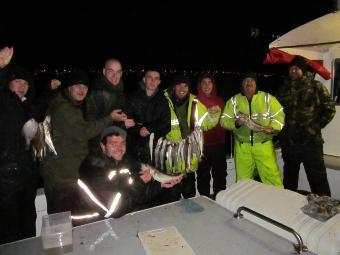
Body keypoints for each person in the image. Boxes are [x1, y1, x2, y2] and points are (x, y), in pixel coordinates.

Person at [40, 69, 121, 214]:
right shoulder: (64, 108)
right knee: (62, 219)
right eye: (77, 85)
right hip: (62, 177)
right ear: (69, 87)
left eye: (84, 87)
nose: (81, 90)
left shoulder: (67, 104)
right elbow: (83, 132)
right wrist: (110, 118)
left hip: (64, 173)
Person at [72, 126, 181, 224]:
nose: (119, 149)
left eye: (122, 143)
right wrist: (141, 182)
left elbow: (135, 196)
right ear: (103, 146)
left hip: (116, 219)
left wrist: (159, 186)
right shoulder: (92, 170)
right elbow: (114, 210)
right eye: (113, 144)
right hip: (90, 225)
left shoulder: (122, 163)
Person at [277, 55, 336, 196]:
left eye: (297, 68)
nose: (293, 71)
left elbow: (330, 109)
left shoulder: (315, 86)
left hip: (310, 143)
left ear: (303, 70)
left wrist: (314, 127)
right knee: (289, 180)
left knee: (318, 180)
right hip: (289, 143)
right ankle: (288, 209)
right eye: (291, 68)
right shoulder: (283, 89)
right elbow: (276, 112)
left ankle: (326, 210)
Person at [161, 75, 221, 202]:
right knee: (172, 195)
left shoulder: (195, 103)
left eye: (185, 85)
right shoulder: (163, 101)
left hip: (189, 158)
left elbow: (206, 124)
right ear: (173, 86)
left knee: (190, 193)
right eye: (179, 85)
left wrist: (214, 115)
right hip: (171, 159)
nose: (182, 88)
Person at [220, 72, 284, 187]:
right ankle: (244, 204)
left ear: (255, 84)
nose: (248, 84)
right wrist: (236, 123)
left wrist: (273, 128)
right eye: (245, 81)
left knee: (272, 179)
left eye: (251, 81)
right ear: (242, 85)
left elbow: (279, 115)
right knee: (243, 182)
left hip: (264, 146)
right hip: (242, 147)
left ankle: (277, 202)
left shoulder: (267, 98)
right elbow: (224, 121)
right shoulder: (234, 101)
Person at [0, 46, 37, 244]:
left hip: (27, 177)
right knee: (8, 232)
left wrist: (51, 89)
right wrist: (1, 67)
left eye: (25, 82)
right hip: (6, 180)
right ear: (8, 84)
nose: (22, 85)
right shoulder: (5, 103)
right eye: (17, 81)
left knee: (28, 226)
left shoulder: (27, 106)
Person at [125, 67, 171, 163]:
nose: (153, 81)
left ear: (159, 82)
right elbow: (126, 122)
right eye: (150, 77)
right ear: (144, 79)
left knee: (156, 175)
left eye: (156, 78)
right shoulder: (132, 98)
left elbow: (166, 125)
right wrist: (138, 130)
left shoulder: (163, 100)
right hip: (134, 147)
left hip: (156, 149)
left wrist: (149, 129)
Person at [196, 74, 228, 199]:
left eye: (209, 82)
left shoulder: (220, 101)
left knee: (220, 176)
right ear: (199, 85)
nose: (207, 85)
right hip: (201, 146)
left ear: (213, 85)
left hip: (219, 145)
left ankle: (220, 200)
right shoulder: (195, 102)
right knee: (203, 177)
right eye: (203, 82)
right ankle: (204, 201)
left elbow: (225, 121)